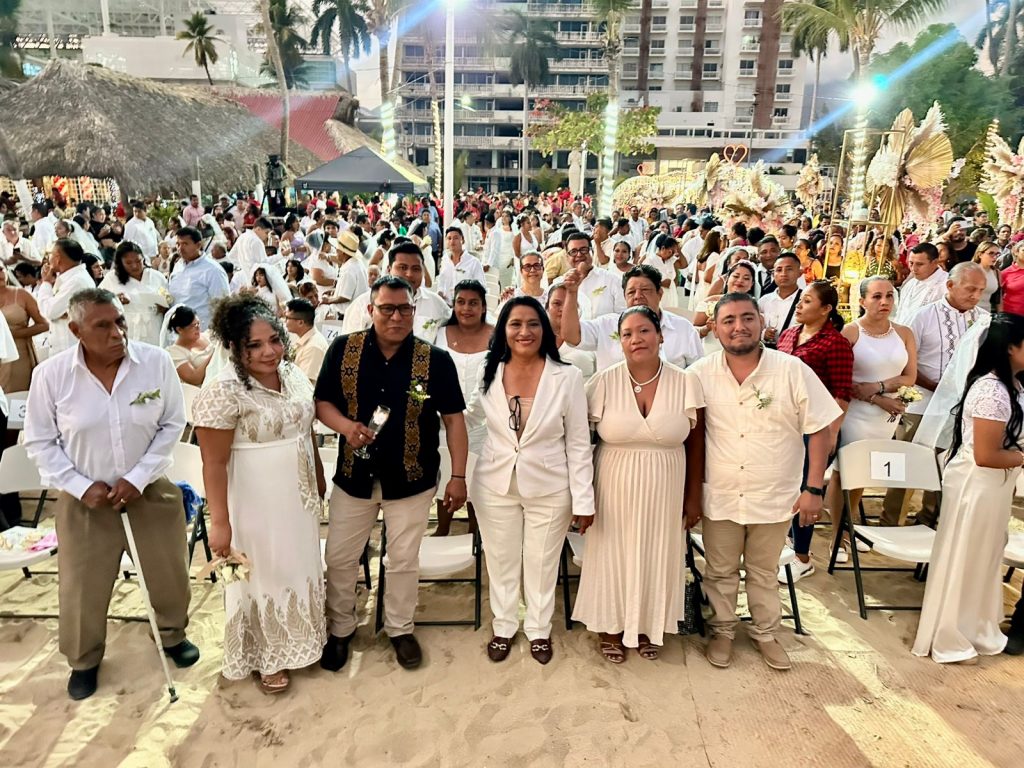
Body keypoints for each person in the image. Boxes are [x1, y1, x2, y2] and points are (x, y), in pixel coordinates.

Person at [24, 288, 197, 700]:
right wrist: (81, 487)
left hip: (149, 493)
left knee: (168, 575)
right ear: (76, 330)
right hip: (85, 501)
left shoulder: (155, 362)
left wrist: (138, 477)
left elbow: (173, 424)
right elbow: (40, 441)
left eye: (119, 321)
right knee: (82, 586)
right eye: (102, 325)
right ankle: (84, 658)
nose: (117, 332)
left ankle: (171, 635)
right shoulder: (51, 376)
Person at [316, 275, 469, 672]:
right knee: (340, 557)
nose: (396, 317)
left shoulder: (434, 360)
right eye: (387, 308)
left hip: (412, 478)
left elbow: (454, 420)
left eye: (404, 309)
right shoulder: (343, 350)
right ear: (371, 310)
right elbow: (322, 403)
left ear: (414, 311)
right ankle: (340, 630)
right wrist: (346, 427)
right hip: (354, 475)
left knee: (402, 559)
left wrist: (458, 477)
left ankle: (400, 629)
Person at [689, 293, 841, 671]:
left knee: (763, 571)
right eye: (728, 320)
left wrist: (813, 488)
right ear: (716, 328)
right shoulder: (699, 374)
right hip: (721, 494)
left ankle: (766, 632)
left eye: (747, 318)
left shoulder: (791, 370)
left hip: (774, 495)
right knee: (719, 570)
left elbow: (819, 429)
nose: (738, 327)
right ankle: (723, 630)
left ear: (761, 321)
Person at [193, 295, 326, 693]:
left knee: (298, 565)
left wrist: (318, 474)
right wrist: (220, 523)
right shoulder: (223, 391)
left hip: (298, 498)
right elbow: (213, 463)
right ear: (234, 346)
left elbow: (306, 427)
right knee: (261, 573)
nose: (269, 351)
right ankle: (266, 656)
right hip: (255, 502)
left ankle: (302, 642)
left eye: (275, 340)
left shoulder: (293, 373)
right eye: (254, 345)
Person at [572, 306, 704, 662]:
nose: (636, 339)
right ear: (620, 341)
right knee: (612, 552)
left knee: (657, 553)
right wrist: (583, 498)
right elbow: (580, 442)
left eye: (644, 330)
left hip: (667, 484)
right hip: (612, 483)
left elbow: (697, 443)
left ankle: (648, 625)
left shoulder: (686, 381)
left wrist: (694, 497)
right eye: (627, 333)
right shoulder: (603, 381)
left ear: (660, 335)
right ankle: (611, 626)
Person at [467, 296, 594, 665]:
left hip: (550, 486)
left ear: (545, 329)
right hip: (495, 484)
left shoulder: (567, 376)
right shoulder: (488, 369)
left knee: (541, 562)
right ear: (503, 330)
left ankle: (539, 629)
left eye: (533, 323)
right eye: (515, 324)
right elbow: (470, 416)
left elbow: (578, 443)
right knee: (501, 560)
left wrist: (583, 499)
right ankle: (504, 626)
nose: (525, 331)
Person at [912, 313, 1024, 664]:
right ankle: (951, 634)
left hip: (993, 487)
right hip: (978, 484)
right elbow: (986, 455)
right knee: (966, 556)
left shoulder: (1011, 385)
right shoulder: (992, 391)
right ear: (1010, 348)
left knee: (982, 557)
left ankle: (974, 625)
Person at [881, 262, 987, 528]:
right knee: (907, 466)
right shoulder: (922, 316)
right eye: (970, 289)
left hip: (960, 408)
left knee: (945, 467)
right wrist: (937, 387)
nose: (975, 296)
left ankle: (929, 522)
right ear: (950, 285)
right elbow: (904, 363)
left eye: (981, 290)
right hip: (921, 403)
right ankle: (891, 524)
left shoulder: (985, 320)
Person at [828, 277, 917, 558]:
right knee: (844, 472)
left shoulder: (904, 333)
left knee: (864, 472)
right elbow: (842, 379)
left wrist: (881, 388)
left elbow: (909, 376)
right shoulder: (851, 333)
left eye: (889, 296)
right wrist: (878, 398)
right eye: (877, 296)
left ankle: (848, 526)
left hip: (885, 417)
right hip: (855, 413)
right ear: (862, 301)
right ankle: (836, 536)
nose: (884, 302)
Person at [775, 282, 853, 581]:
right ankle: (787, 542)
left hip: (816, 427)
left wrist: (832, 432)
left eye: (807, 301)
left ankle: (802, 556)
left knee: (808, 487)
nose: (799, 305)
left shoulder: (835, 343)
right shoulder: (789, 335)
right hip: (786, 424)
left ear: (826, 309)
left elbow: (842, 392)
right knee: (787, 484)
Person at [561, 264, 702, 372]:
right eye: (631, 292)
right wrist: (572, 293)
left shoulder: (683, 329)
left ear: (659, 294)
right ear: (624, 296)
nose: (638, 296)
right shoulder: (607, 325)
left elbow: (697, 373)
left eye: (645, 290)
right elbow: (571, 335)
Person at [433, 280, 492, 536]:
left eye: (473, 303)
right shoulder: (439, 334)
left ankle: (476, 533)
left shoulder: (497, 335)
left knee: (479, 478)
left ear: (483, 307)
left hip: (485, 421)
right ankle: (443, 528)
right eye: (461, 302)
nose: (466, 308)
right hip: (444, 418)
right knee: (448, 470)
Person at [341, 241, 451, 343]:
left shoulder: (437, 305)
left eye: (416, 269)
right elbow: (350, 346)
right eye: (403, 267)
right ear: (389, 270)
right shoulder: (362, 304)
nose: (409, 274)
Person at [99, 241, 170, 346]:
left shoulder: (157, 277)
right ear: (120, 263)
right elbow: (98, 302)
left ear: (143, 259)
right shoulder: (112, 278)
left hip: (154, 327)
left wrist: (163, 307)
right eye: (128, 263)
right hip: (129, 328)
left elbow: (168, 301)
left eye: (138, 261)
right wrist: (115, 300)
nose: (134, 266)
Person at [46, 238, 104, 355]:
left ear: (57, 258)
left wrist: (45, 284)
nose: (48, 259)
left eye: (50, 254)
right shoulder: (67, 278)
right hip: (64, 348)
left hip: (72, 348)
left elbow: (50, 311)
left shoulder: (77, 281)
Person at [168, 227, 230, 330]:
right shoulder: (178, 265)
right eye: (178, 244)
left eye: (185, 244)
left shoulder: (213, 270)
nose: (180, 248)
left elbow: (222, 306)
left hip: (201, 331)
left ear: (198, 245)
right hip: (178, 331)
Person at [0, 263, 47, 391]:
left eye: (1, 269)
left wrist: (12, 334)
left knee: (17, 396)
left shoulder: (21, 294)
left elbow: (44, 324)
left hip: (19, 355)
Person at [562, 232, 625, 319]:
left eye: (583, 250)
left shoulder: (612, 280)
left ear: (592, 251)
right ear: (567, 256)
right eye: (573, 251)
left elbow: (623, 316)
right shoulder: (560, 284)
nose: (579, 255)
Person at [893, 243, 948, 324]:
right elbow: (899, 315)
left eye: (919, 264)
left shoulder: (947, 286)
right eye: (911, 263)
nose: (914, 269)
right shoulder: (909, 284)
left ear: (935, 262)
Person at [758, 253, 802, 348]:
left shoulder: (805, 301)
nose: (783, 274)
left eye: (789, 269)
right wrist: (763, 334)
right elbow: (755, 328)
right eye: (779, 270)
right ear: (773, 274)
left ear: (799, 273)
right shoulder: (764, 301)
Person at [321, 231, 367, 318]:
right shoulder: (356, 263)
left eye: (337, 250)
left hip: (347, 315)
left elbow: (345, 297)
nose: (336, 253)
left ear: (342, 252)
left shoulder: (349, 269)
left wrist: (329, 300)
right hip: (356, 312)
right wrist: (336, 291)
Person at [166, 305, 214, 386]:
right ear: (179, 329)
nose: (197, 328)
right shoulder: (175, 352)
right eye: (192, 326)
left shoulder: (208, 335)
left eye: (198, 323)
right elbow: (194, 379)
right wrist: (214, 354)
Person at [284, 298, 329, 384]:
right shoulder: (302, 336)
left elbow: (305, 384)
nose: (285, 321)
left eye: (287, 318)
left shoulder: (313, 347)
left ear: (300, 322)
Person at [436, 227, 486, 304]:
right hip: (446, 305)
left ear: (462, 240)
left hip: (466, 305)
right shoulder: (444, 261)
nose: (452, 241)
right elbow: (441, 283)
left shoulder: (474, 262)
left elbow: (481, 287)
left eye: (456, 238)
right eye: (449, 238)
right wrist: (440, 294)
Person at [974, 240, 1002, 313]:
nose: (995, 257)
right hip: (970, 310)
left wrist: (1000, 314)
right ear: (980, 254)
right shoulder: (971, 270)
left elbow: (998, 297)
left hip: (987, 312)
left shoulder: (996, 272)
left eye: (997, 254)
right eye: (991, 253)